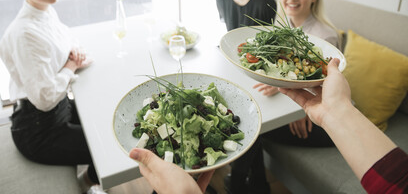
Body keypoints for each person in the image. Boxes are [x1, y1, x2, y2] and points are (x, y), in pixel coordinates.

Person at [128, 59, 408, 194]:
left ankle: (245, 183)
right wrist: (338, 109)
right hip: (327, 111)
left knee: (255, 133)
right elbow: (398, 182)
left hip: (313, 118)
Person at [0, 0, 105, 194]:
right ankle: (85, 185)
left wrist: (73, 57)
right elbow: (45, 99)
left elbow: (64, 41)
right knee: (104, 145)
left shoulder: (44, 11)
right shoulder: (24, 33)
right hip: (37, 129)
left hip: (60, 108)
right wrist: (70, 66)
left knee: (104, 120)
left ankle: (88, 181)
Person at [212, 0, 277, 193]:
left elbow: (271, 48)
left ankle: (239, 179)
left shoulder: (263, 0)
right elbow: (229, 39)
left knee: (250, 119)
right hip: (235, 71)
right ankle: (259, 182)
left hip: (260, 74)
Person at [254, 0, 339, 146]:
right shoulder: (284, 26)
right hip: (292, 103)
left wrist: (298, 110)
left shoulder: (325, 36)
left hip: (319, 113)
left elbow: (329, 87)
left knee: (254, 127)